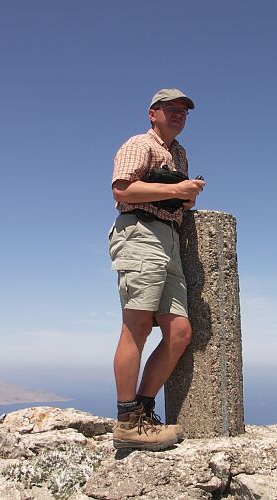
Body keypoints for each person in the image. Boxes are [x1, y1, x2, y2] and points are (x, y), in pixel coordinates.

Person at [108, 88, 205, 450]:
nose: (178, 114)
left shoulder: (179, 153)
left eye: (183, 111)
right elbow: (122, 191)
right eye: (171, 108)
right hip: (141, 232)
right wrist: (178, 189)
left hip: (171, 238)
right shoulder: (140, 144)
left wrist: (185, 196)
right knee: (136, 327)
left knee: (179, 331)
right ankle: (127, 421)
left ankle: (144, 413)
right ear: (153, 113)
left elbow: (173, 196)